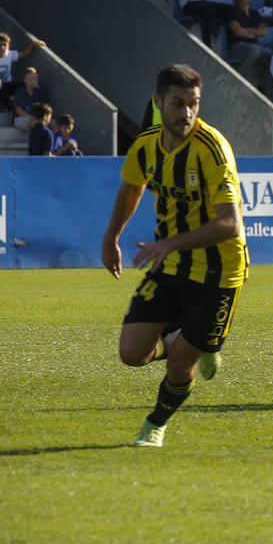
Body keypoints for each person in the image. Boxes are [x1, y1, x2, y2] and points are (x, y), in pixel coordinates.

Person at [101, 65, 248, 448]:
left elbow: (230, 224)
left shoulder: (212, 149)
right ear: (158, 103)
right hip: (171, 264)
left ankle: (156, 423)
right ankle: (192, 339)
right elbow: (131, 188)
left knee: (181, 364)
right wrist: (111, 236)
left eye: (194, 104)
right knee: (132, 354)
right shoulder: (146, 144)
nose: (186, 113)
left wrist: (168, 243)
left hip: (219, 271)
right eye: (178, 104)